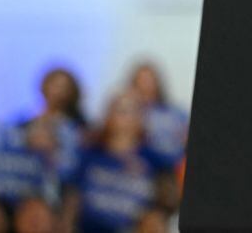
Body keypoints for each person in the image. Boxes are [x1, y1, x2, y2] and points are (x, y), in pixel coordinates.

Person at [61, 92, 172, 233]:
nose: (126, 117)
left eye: (132, 110)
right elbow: (73, 196)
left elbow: (164, 204)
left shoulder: (153, 160)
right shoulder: (90, 153)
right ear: (108, 116)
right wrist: (66, 224)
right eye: (120, 110)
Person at [128, 62, 187, 168]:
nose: (145, 84)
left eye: (149, 79)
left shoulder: (175, 111)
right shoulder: (129, 112)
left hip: (176, 163)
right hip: (144, 165)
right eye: (141, 80)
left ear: (157, 82)